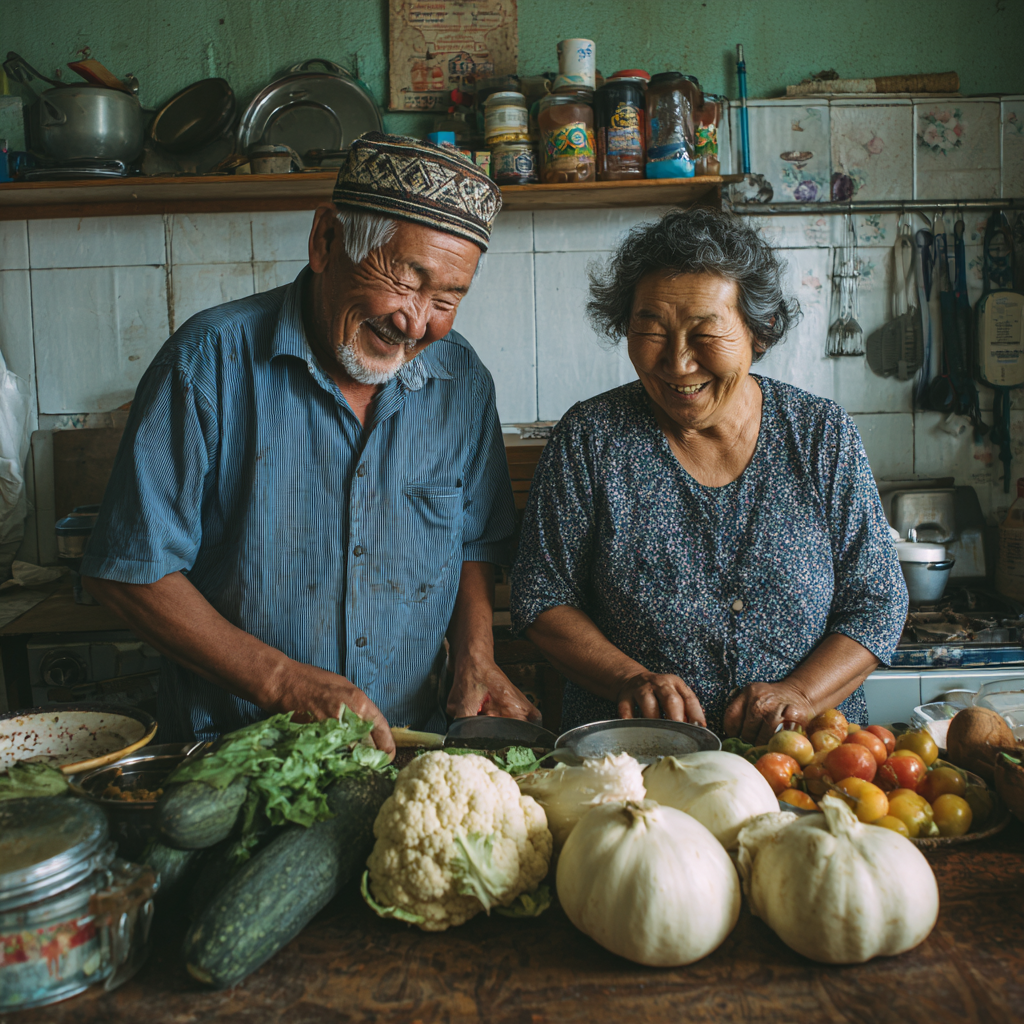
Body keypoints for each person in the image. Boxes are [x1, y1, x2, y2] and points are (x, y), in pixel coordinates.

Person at [82, 133, 540, 754]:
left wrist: (475, 657)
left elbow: (472, 541)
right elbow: (131, 572)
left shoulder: (461, 383)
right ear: (325, 240)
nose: (416, 322)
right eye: (405, 281)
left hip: (407, 748)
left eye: (446, 299)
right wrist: (281, 683)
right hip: (239, 754)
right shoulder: (207, 362)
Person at [510, 208, 908, 744]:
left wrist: (802, 695)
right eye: (650, 329)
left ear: (758, 332)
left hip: (805, 761)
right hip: (636, 760)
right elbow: (540, 596)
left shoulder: (820, 434)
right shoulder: (591, 437)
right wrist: (628, 678)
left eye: (705, 333)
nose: (677, 362)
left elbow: (877, 600)